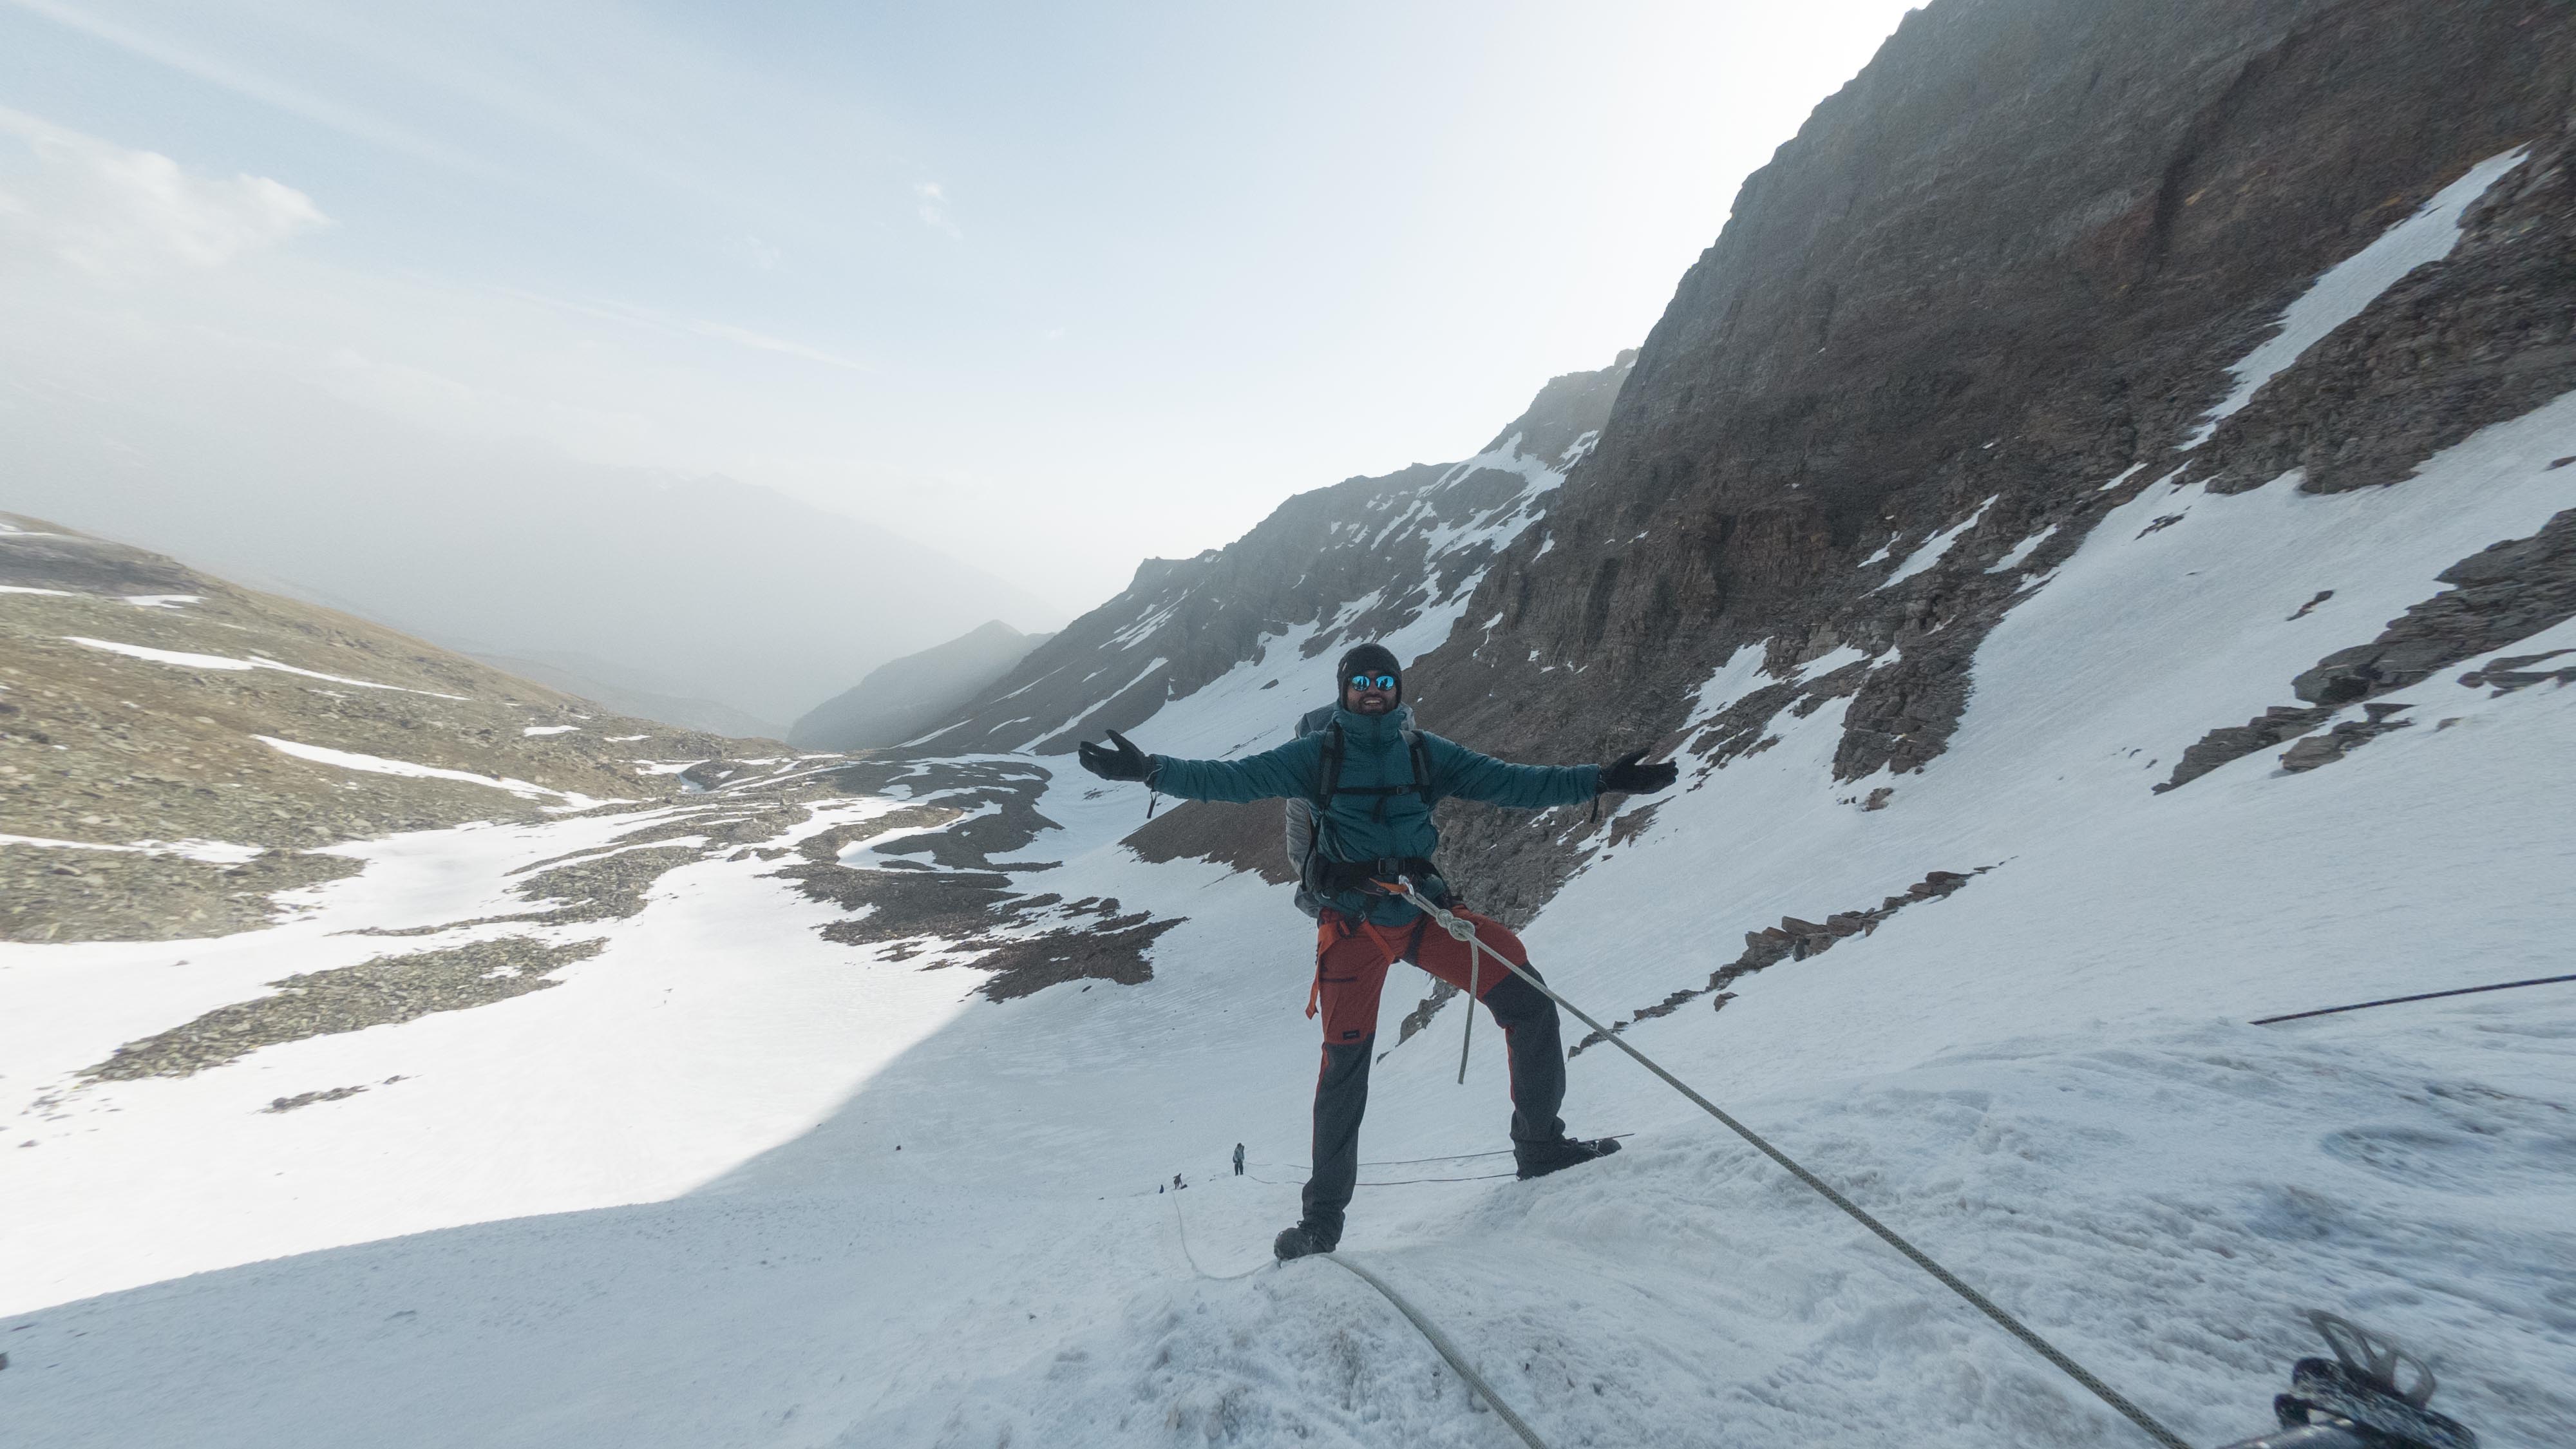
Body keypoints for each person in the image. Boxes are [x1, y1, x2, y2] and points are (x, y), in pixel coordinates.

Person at [1078, 642, 1677, 1261]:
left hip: (1421, 911)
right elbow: (1233, 780)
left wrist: (1602, 780)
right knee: (1345, 1067)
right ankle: (1322, 1223)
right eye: (1361, 680)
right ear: (1343, 690)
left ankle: (1540, 1147)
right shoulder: (1317, 755)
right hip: (1353, 923)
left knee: (1528, 998)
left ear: (1398, 688)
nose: (1373, 689)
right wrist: (1151, 770)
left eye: (1384, 679)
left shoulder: (1424, 752)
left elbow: (1512, 782)